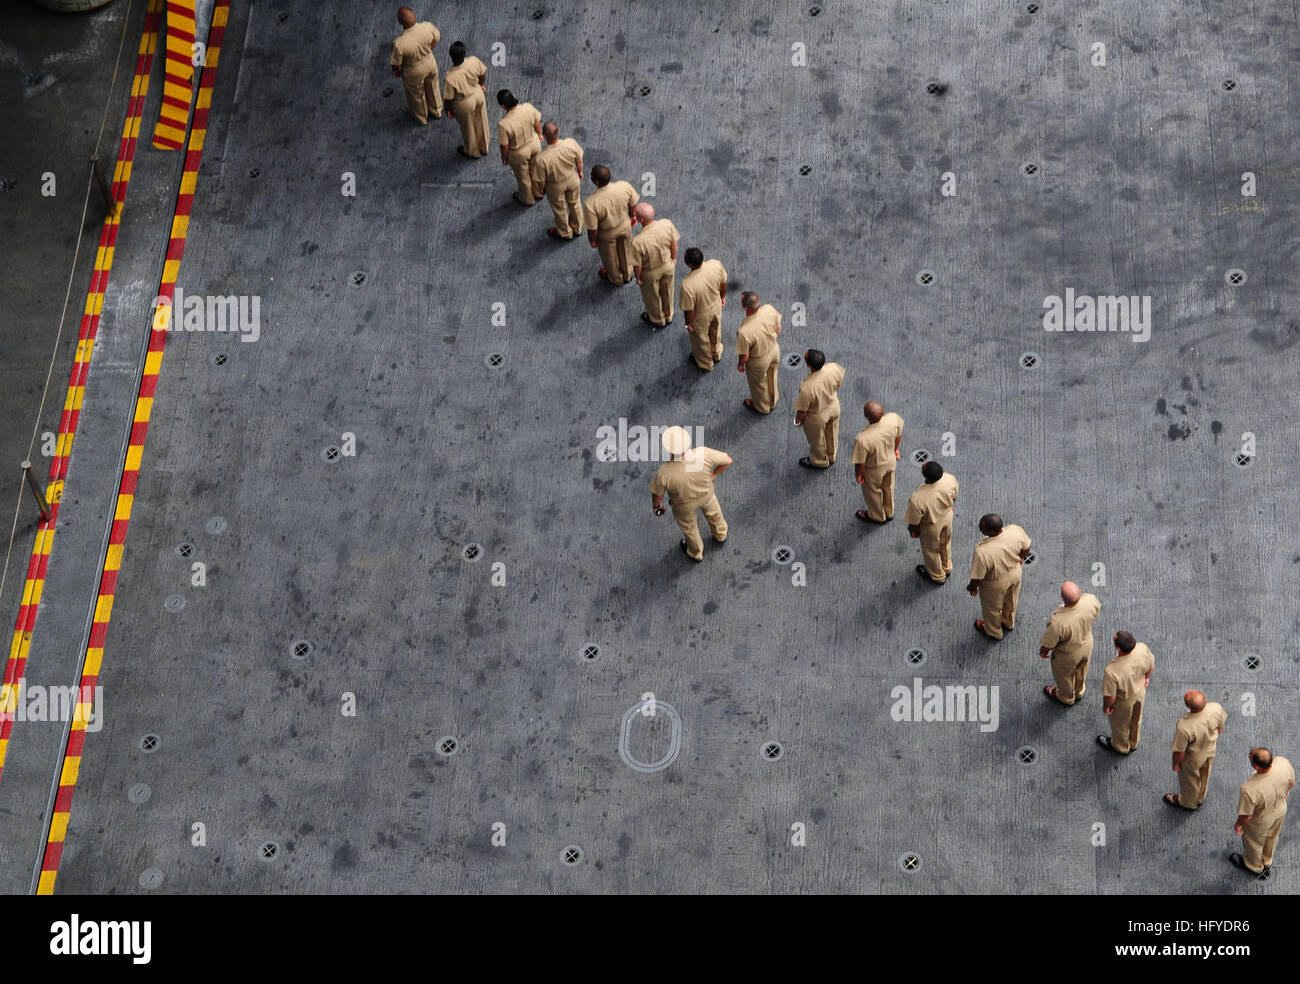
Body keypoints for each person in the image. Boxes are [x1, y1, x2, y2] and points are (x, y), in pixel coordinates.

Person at [649, 426, 732, 562]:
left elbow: (657, 495)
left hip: (683, 505)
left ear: (668, 449)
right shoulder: (703, 453)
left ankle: (696, 552)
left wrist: (656, 507)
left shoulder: (664, 473)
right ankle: (721, 534)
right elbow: (728, 461)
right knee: (715, 514)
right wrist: (713, 475)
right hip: (707, 495)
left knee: (690, 529)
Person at [966, 514, 1031, 640]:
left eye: (981, 525)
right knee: (1012, 599)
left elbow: (978, 576)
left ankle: (993, 632)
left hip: (995, 583)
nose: (979, 526)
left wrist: (972, 587)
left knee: (992, 609)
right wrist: (1020, 558)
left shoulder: (982, 552)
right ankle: (1008, 622)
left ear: (990, 531)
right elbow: (1027, 547)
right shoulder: (1015, 530)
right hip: (1015, 572)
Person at [1232, 748, 1295, 878]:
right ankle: (1267, 860)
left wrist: (1238, 825)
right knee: (1272, 836)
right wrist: (1283, 795)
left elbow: (1247, 815)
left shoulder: (1249, 789)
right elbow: (1292, 783)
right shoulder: (1283, 763)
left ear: (1256, 766)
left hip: (1261, 820)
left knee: (1254, 843)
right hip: (1280, 809)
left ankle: (1254, 865)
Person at [1038, 581, 1101, 705]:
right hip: (1087, 644)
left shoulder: (1058, 622)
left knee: (1064, 677)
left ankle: (1066, 697)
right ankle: (1079, 691)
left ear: (1062, 598)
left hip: (1068, 655)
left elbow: (1049, 642)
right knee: (1082, 669)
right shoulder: (1091, 600)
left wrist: (1043, 651)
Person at [1164, 690, 1225, 810]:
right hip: (1210, 748)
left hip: (1193, 757)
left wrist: (1176, 763)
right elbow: (1219, 727)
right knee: (1205, 773)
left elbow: (1179, 751)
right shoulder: (1216, 708)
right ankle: (1200, 797)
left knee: (1190, 781)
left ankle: (1188, 802)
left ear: (1188, 706)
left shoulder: (1184, 727)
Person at [1096, 631, 1154, 754]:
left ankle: (1121, 746)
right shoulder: (1142, 648)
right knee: (1137, 718)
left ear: (1118, 648)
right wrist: (1146, 678)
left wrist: (1107, 706)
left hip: (1124, 701)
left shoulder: (1112, 670)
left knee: (1120, 725)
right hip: (1140, 692)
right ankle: (1133, 742)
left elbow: (1110, 695)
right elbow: (1151, 667)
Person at [583, 167, 640, 284]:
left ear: (596, 182)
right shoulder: (624, 186)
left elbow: (593, 229)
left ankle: (615, 278)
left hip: (607, 232)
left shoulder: (591, 203)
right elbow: (633, 203)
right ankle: (627, 274)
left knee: (610, 258)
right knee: (626, 250)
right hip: (625, 225)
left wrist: (592, 240)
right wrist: (632, 216)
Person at [904, 461, 958, 583]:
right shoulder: (949, 479)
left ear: (926, 476)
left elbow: (915, 520)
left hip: (931, 526)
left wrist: (913, 531)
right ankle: (946, 566)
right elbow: (954, 496)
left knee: (931, 551)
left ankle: (937, 575)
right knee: (945, 543)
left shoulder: (918, 498)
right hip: (947, 517)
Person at [850, 401, 903, 522]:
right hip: (890, 461)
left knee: (873, 491)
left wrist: (858, 474)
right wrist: (895, 449)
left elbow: (860, 461)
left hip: (874, 469)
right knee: (889, 486)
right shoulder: (893, 419)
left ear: (867, 417)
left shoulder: (863, 439)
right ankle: (889, 511)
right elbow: (899, 435)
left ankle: (877, 515)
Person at [530, 123, 585, 239]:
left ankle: (565, 232)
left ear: (544, 136)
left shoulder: (541, 159)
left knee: (560, 209)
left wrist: (541, 189)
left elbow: (541, 180)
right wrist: (579, 172)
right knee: (575, 204)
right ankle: (578, 228)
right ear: (558, 130)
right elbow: (579, 161)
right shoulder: (570, 143)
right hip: (572, 178)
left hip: (555, 186)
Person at [629, 203, 680, 327]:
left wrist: (638, 277)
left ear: (641, 219)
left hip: (650, 273)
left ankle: (658, 319)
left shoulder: (638, 241)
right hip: (667, 264)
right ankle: (669, 314)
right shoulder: (666, 224)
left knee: (652, 297)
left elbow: (637, 264)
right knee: (668, 290)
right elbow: (674, 244)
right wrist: (673, 258)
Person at [793, 350, 845, 469]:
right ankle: (832, 455)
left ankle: (819, 461)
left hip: (817, 416)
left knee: (817, 442)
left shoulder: (807, 388)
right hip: (834, 406)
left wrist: (798, 421)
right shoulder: (833, 368)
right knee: (832, 432)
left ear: (809, 366)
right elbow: (838, 384)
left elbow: (803, 410)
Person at [389, 9, 441, 125]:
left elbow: (396, 64)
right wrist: (429, 48)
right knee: (433, 86)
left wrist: (397, 72)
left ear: (400, 22)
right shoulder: (427, 26)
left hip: (413, 70)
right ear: (414, 16)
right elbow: (436, 38)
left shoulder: (399, 43)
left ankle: (422, 118)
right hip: (429, 62)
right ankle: (437, 111)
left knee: (416, 95)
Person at [678, 248, 727, 368]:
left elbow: (689, 309)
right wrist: (722, 297)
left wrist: (688, 323)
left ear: (689, 264)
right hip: (716, 305)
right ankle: (716, 352)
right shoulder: (715, 265)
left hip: (701, 314)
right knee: (716, 331)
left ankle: (705, 362)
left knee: (701, 339)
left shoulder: (687, 285)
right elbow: (723, 283)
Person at [734, 292, 781, 412]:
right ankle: (773, 400)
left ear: (745, 308)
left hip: (759, 360)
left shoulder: (744, 332)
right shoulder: (769, 309)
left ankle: (762, 407)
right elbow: (778, 328)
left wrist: (740, 365)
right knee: (772, 375)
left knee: (759, 385)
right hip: (774, 350)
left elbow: (745, 355)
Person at [442, 42, 489, 158]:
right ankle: (484, 146)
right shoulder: (474, 61)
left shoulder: (450, 77)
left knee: (468, 127)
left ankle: (472, 151)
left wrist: (448, 110)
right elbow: (482, 74)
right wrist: (481, 84)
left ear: (451, 56)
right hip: (478, 94)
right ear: (464, 53)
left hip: (464, 102)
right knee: (481, 119)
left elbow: (449, 98)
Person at [497, 89, 542, 205]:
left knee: (523, 177)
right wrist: (540, 135)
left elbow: (504, 145)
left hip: (519, 153)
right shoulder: (527, 107)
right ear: (513, 96)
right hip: (534, 143)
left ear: (503, 106)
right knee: (535, 169)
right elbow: (537, 123)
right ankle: (538, 192)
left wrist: (504, 158)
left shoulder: (504, 124)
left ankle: (527, 199)